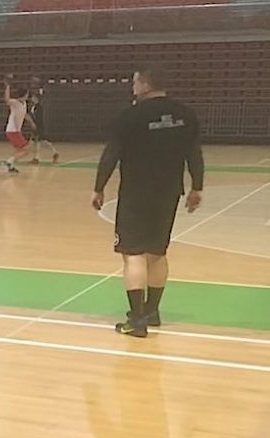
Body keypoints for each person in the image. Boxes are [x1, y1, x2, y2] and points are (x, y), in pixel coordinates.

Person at [92, 66, 204, 337]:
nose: (133, 87)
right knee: (157, 253)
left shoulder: (129, 117)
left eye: (135, 82)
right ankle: (152, 312)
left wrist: (98, 188)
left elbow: (111, 155)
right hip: (169, 192)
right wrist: (197, 187)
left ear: (145, 84)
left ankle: (137, 320)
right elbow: (194, 154)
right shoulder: (185, 115)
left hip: (136, 193)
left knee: (133, 255)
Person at [2, 77, 35, 174]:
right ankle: (8, 162)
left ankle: (11, 166)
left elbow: (24, 114)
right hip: (13, 130)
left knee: (19, 149)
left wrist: (31, 122)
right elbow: (7, 100)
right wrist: (8, 86)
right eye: (27, 93)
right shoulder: (15, 103)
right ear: (25, 94)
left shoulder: (24, 104)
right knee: (27, 149)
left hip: (16, 131)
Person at [27, 77, 60, 165]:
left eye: (34, 98)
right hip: (36, 126)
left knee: (37, 142)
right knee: (43, 142)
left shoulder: (39, 107)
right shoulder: (33, 107)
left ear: (37, 99)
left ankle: (36, 158)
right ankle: (55, 153)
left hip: (39, 126)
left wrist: (36, 126)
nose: (32, 99)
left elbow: (38, 119)